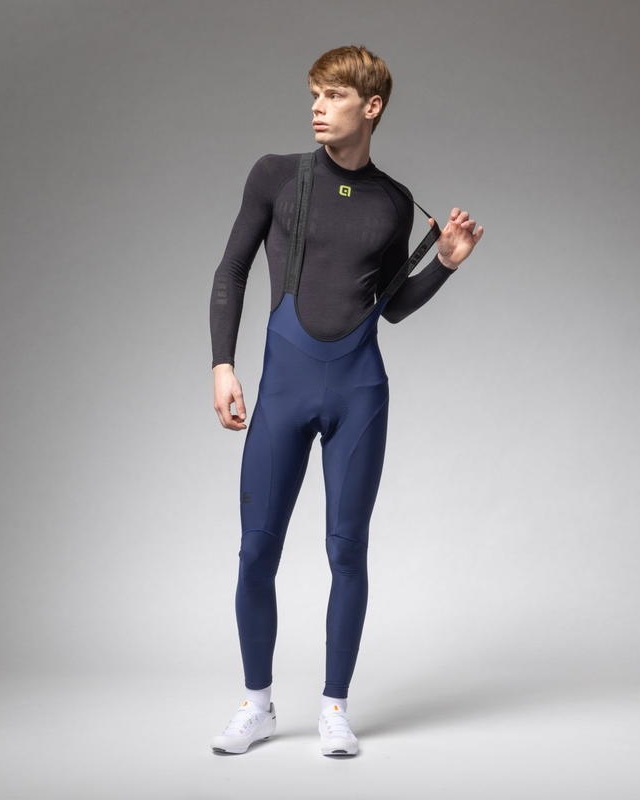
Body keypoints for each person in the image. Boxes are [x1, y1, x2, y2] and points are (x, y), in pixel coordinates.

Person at [209, 45, 483, 756]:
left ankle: (335, 709)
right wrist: (221, 364)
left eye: (333, 95)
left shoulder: (394, 203)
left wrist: (444, 264)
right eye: (315, 94)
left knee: (347, 552)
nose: (317, 107)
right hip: (282, 389)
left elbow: (392, 308)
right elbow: (232, 269)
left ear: (372, 106)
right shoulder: (276, 176)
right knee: (255, 551)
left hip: (359, 392)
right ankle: (258, 705)